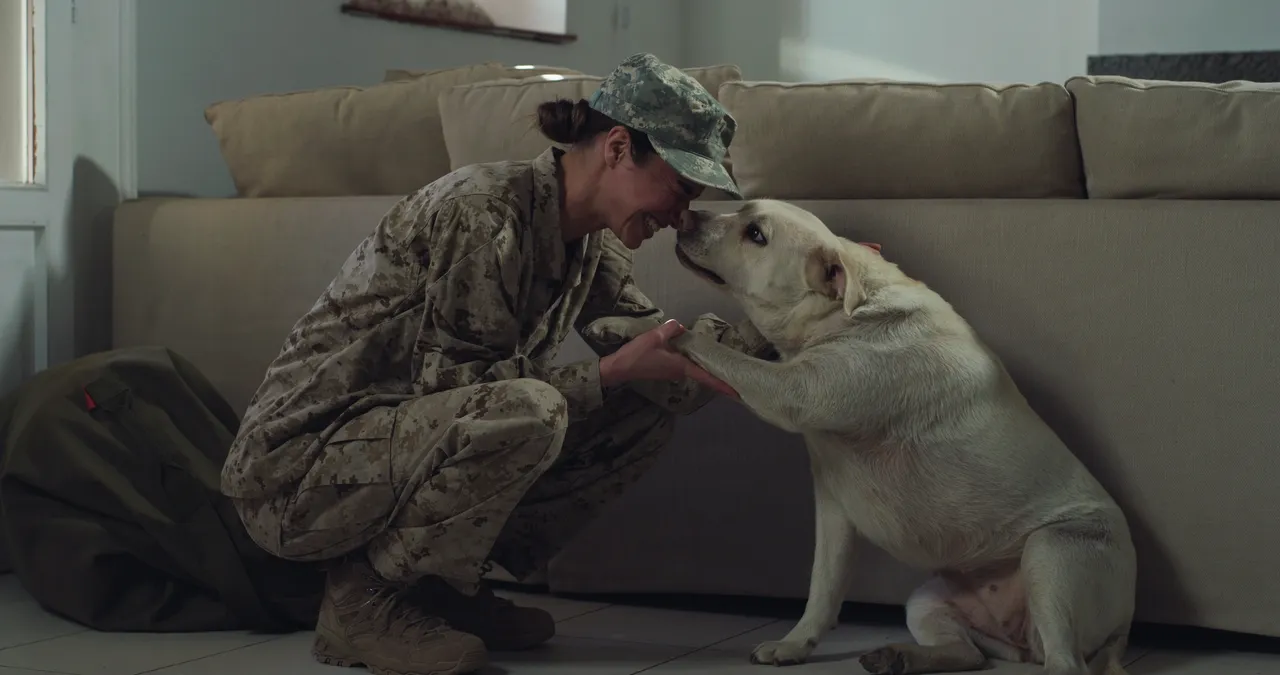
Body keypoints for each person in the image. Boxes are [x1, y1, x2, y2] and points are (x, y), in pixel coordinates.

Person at [221, 53, 773, 675]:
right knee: (531, 410)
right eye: (681, 188)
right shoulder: (482, 212)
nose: (681, 215)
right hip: (297, 472)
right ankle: (364, 604)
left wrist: (810, 315)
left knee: (642, 410)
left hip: (395, 449)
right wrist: (608, 371)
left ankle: (439, 589)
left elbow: (678, 377)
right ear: (618, 147)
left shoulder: (591, 244)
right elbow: (458, 388)